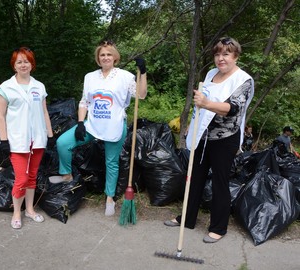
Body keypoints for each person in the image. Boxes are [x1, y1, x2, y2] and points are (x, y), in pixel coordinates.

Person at [164, 37, 254, 243]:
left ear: (235, 56)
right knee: (194, 177)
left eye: (226, 54)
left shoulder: (243, 80)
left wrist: (207, 103)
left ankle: (219, 227)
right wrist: (191, 124)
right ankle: (187, 218)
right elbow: (200, 104)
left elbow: (233, 108)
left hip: (225, 138)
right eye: (217, 54)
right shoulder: (211, 73)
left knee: (219, 183)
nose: (220, 58)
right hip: (202, 134)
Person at [55, 40, 147, 216]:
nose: (105, 57)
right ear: (98, 58)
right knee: (62, 143)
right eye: (102, 55)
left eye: (109, 54)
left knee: (111, 163)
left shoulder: (125, 76)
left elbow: (141, 95)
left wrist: (142, 73)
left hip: (114, 125)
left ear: (115, 57)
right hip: (92, 124)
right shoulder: (90, 77)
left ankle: (110, 198)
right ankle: (66, 175)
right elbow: (84, 101)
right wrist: (81, 122)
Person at [0, 47, 55, 229]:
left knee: (32, 177)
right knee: (21, 178)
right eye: (19, 61)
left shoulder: (39, 86)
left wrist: (50, 135)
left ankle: (30, 210)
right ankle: (16, 213)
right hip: (17, 140)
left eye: (26, 61)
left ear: (32, 64)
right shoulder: (6, 87)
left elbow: (44, 111)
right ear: (14, 65)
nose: (23, 64)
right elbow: (0, 115)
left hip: (37, 139)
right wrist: (4, 140)